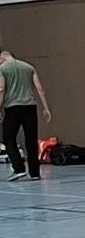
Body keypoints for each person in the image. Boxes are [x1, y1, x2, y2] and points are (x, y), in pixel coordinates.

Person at [0, 48, 51, 181]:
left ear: (2, 59)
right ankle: (35, 173)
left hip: (13, 107)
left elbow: (1, 89)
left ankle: (19, 168)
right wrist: (46, 108)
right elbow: (40, 89)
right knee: (31, 140)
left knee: (9, 139)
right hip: (30, 107)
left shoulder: (2, 69)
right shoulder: (29, 67)